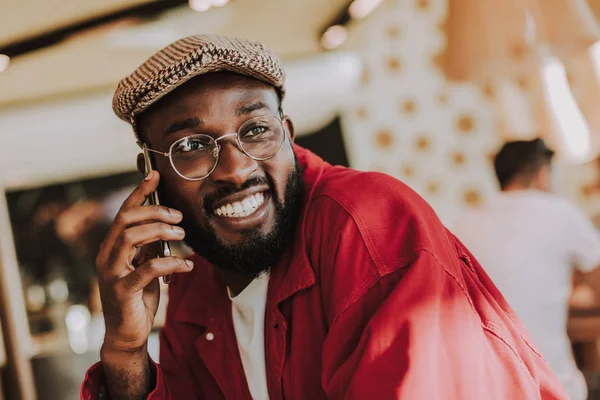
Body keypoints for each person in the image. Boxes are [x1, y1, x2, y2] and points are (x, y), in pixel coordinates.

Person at [81, 35, 568, 399]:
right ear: (152, 174)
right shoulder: (194, 288)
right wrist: (125, 351)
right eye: (190, 147)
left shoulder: (368, 224)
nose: (235, 168)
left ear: (288, 136)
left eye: (255, 129)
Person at [453, 138, 600, 400]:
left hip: (486, 386)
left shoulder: (463, 225)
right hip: (551, 385)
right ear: (541, 174)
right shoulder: (559, 212)